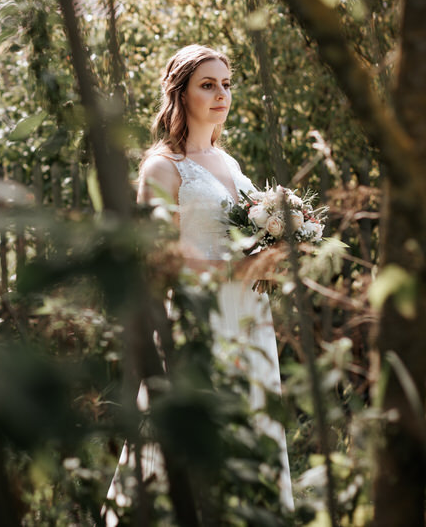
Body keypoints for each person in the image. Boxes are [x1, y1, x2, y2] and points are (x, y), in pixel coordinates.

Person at [106, 45, 294, 521]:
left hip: (249, 313)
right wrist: (238, 270)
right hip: (199, 315)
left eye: (226, 84)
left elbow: (249, 237)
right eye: (207, 85)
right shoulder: (162, 167)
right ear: (179, 93)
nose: (221, 94)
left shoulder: (228, 164)